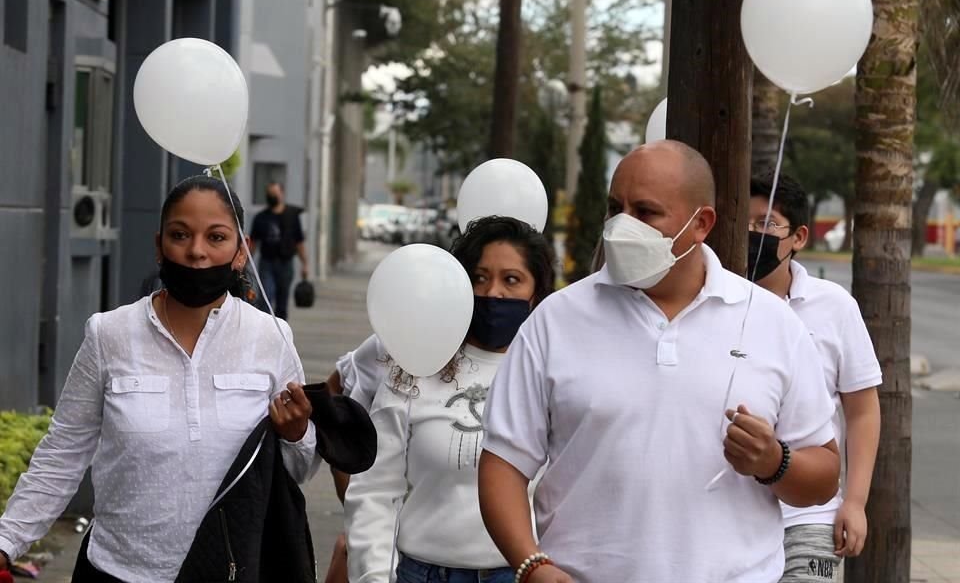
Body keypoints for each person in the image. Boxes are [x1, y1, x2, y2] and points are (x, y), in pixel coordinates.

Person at [477, 140, 842, 583]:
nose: (621, 226)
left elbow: (823, 475)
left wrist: (774, 461)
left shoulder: (771, 322)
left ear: (700, 223)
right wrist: (532, 565)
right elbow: (503, 463)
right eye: (615, 208)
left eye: (646, 211)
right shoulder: (556, 319)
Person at [0, 175, 321, 582]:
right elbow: (62, 453)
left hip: (227, 569)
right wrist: (7, 540)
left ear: (241, 253)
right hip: (117, 570)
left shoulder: (271, 337)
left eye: (216, 237)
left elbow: (299, 469)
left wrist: (296, 435)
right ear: (159, 246)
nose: (196, 251)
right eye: (180, 235)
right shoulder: (108, 334)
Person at [344, 216, 556, 583]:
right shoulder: (416, 364)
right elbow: (375, 489)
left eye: (511, 279)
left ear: (535, 292)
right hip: (423, 573)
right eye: (479, 277)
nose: (493, 293)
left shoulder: (553, 373)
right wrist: (373, 575)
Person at [748, 172, 881, 582]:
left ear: (799, 237)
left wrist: (855, 502)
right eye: (746, 222)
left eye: (766, 223)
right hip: (734, 516)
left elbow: (862, 410)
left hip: (811, 515)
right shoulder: (717, 302)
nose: (754, 233)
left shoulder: (834, 306)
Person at [250, 181, 307, 320]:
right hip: (267, 263)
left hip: (285, 263)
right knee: (266, 297)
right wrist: (244, 261)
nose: (272, 197)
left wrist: (305, 264)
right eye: (269, 194)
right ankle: (264, 329)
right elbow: (253, 242)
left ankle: (281, 334)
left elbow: (299, 242)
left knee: (282, 301)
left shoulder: (292, 216)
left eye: (274, 194)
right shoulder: (261, 218)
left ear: (282, 194)